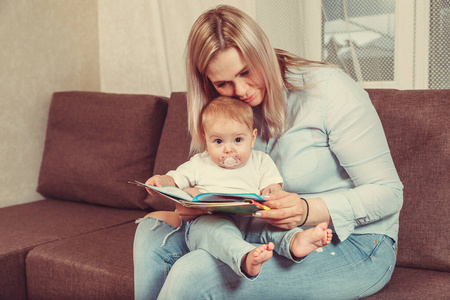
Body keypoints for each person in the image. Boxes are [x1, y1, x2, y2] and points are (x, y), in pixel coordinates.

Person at [134, 5, 403, 300]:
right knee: (151, 232)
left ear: (262, 52)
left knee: (197, 273)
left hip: (357, 243)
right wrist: (196, 204)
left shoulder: (329, 89)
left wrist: (306, 209)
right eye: (223, 83)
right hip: (258, 230)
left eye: (246, 71)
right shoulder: (226, 112)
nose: (241, 90)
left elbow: (389, 193)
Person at [143, 96, 332, 279]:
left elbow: (273, 188)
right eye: (218, 141)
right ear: (205, 139)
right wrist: (161, 181)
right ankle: (244, 256)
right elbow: (174, 180)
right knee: (216, 231)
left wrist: (271, 195)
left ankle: (296, 241)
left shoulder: (261, 161)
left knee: (272, 225)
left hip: (250, 219)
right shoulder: (199, 163)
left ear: (252, 137)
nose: (228, 149)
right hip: (210, 221)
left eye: (238, 140)